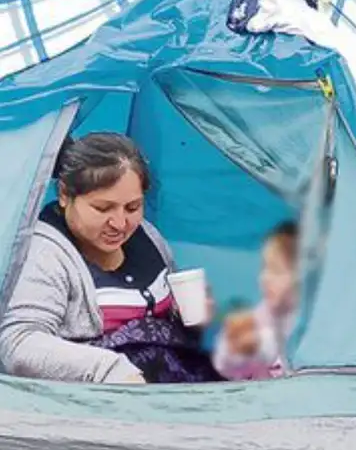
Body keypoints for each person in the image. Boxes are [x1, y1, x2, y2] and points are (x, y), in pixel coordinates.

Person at [0, 133, 221, 384]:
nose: (119, 224)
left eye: (132, 207)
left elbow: (171, 317)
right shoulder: (45, 254)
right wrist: (108, 369)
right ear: (64, 194)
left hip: (172, 386)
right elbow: (18, 343)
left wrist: (196, 319)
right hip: (101, 405)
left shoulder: (146, 235)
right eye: (102, 209)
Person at [212, 221, 298, 381]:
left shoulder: (308, 323)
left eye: (276, 270)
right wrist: (234, 346)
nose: (265, 278)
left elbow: (279, 350)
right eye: (264, 268)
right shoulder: (261, 316)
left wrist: (261, 344)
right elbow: (224, 365)